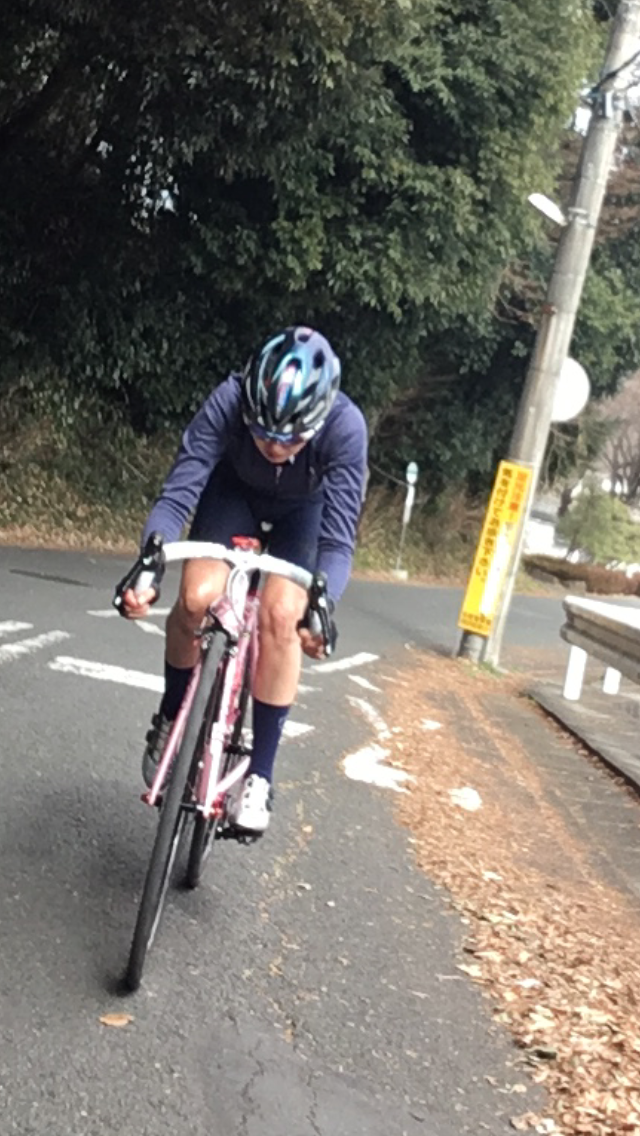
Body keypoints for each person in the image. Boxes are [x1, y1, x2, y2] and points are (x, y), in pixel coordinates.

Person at [120, 326, 368, 833]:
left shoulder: (346, 428)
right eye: (262, 432)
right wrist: (150, 563)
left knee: (282, 614)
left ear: (319, 420)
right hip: (231, 494)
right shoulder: (229, 400)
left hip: (303, 513)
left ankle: (260, 776)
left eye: (292, 438)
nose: (274, 446)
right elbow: (178, 495)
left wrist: (324, 606)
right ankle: (171, 716)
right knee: (197, 598)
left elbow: (338, 543)